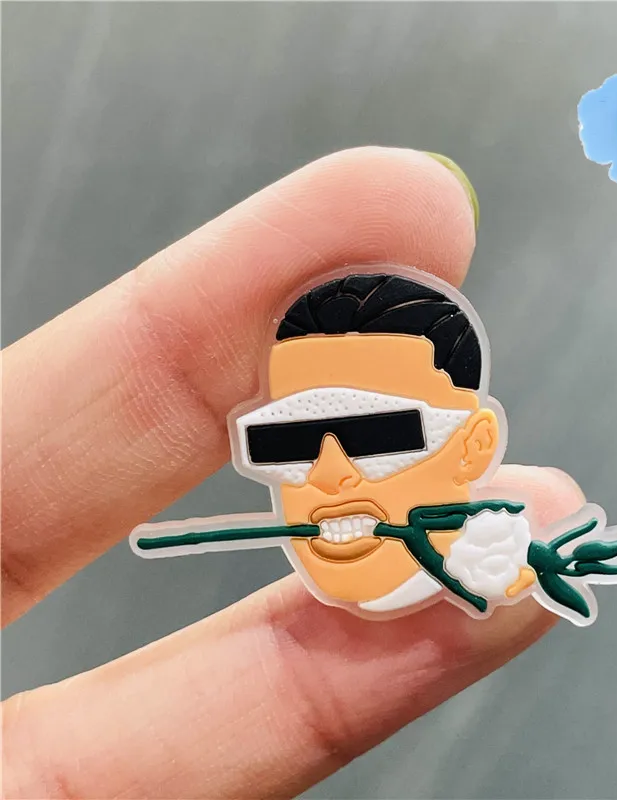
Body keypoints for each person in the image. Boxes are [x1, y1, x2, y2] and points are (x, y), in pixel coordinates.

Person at [2, 148, 586, 799]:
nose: (329, 476)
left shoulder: (492, 564)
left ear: (475, 447)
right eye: (289, 440)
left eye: (378, 435)